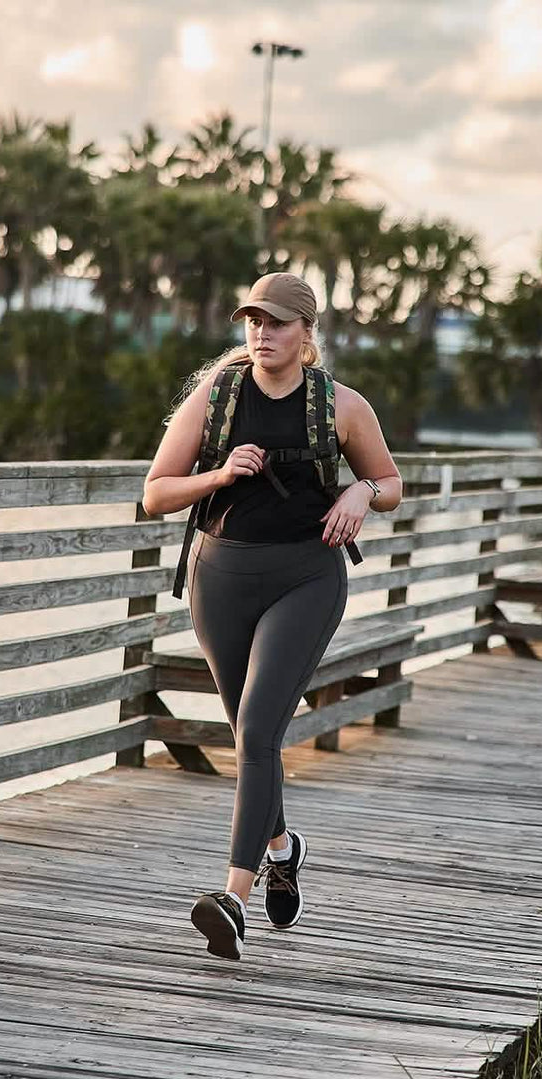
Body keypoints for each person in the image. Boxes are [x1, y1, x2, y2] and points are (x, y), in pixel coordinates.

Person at [141, 272, 402, 961]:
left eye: (278, 322)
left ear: (306, 332)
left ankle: (232, 896)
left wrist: (362, 492)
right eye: (253, 319)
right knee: (247, 735)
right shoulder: (216, 398)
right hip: (219, 577)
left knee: (257, 727)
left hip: (305, 577)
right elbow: (156, 494)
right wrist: (219, 475)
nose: (262, 333)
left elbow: (393, 484)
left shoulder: (341, 406)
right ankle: (282, 847)